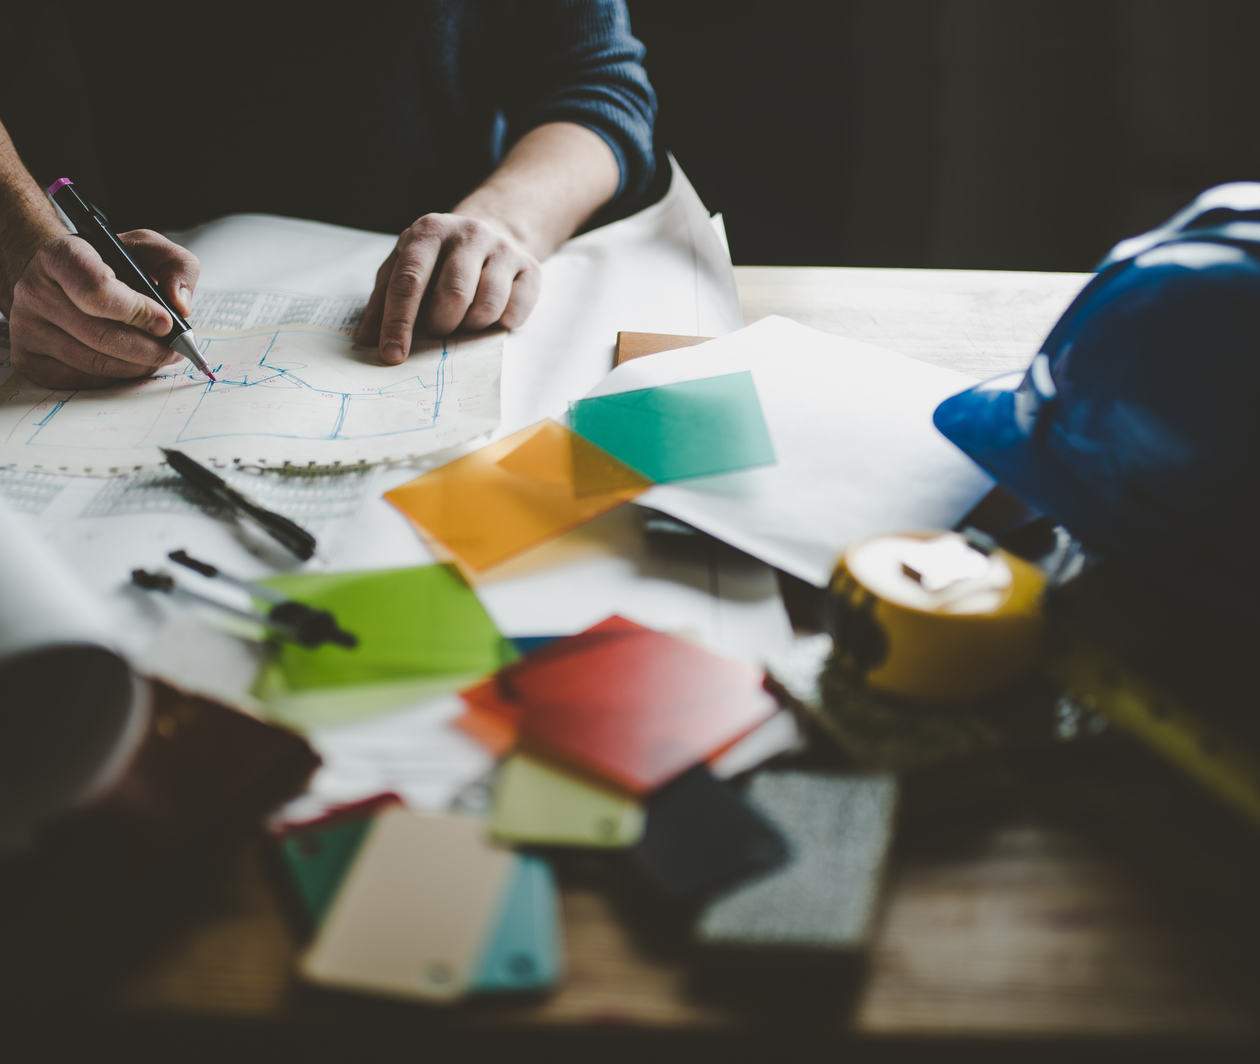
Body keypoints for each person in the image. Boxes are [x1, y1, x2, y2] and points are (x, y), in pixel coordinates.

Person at [0, 1, 658, 390]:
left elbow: (598, 88)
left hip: (450, 294)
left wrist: (504, 222)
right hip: (131, 274)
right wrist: (29, 244)